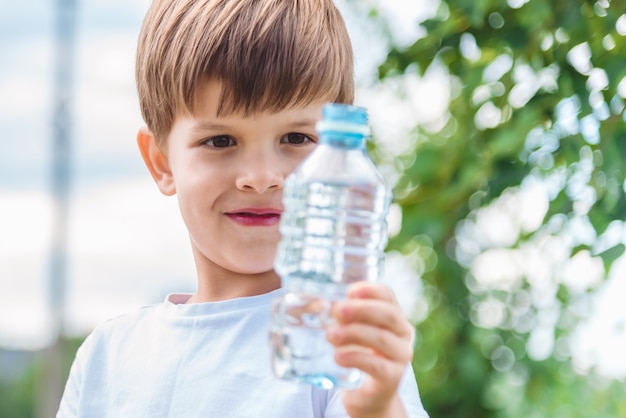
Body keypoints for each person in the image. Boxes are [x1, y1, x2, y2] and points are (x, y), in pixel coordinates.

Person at [57, 0, 429, 417]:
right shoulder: (107, 358)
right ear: (162, 162)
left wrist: (378, 407)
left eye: (295, 138)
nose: (261, 176)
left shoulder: (336, 340)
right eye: (220, 141)